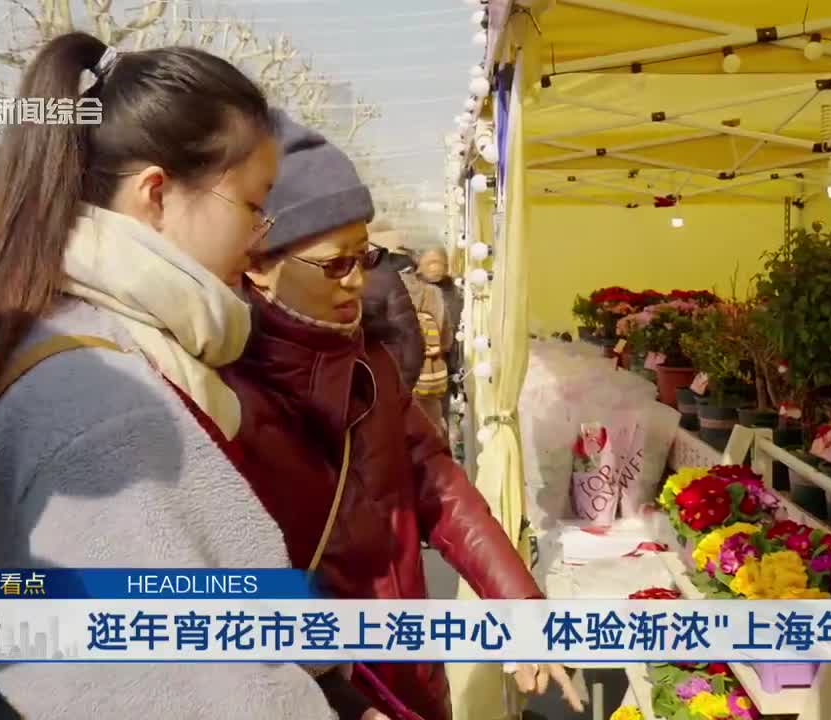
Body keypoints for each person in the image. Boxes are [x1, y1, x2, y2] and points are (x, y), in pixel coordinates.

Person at [0, 34, 334, 718]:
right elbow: (177, 693)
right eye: (254, 205)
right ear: (156, 194)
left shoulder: (54, 341)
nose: (260, 239)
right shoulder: (100, 405)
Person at [220, 112, 582, 720]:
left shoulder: (372, 363)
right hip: (324, 688)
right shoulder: (227, 390)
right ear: (257, 263)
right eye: (335, 264)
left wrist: (517, 601)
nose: (358, 282)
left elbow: (438, 484)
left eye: (366, 257)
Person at [360, 219, 423, 391]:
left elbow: (409, 337)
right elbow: (410, 338)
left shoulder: (382, 276)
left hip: (379, 379)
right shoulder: (388, 275)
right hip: (385, 379)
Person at [401, 257, 451, 434]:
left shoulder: (389, 291)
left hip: (400, 376)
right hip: (430, 374)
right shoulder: (435, 293)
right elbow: (446, 340)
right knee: (432, 430)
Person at [414, 247, 462, 426]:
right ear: (420, 265)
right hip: (417, 369)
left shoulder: (455, 293)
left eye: (439, 263)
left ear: (447, 266)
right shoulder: (412, 289)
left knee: (438, 419)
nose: (435, 268)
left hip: (443, 369)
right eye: (431, 263)